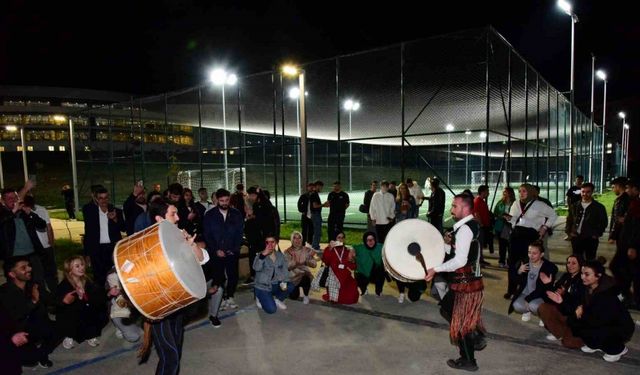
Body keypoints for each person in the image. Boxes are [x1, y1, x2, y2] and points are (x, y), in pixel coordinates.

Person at [137, 200, 209, 374]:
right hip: (159, 307)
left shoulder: (178, 234)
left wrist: (191, 244)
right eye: (173, 214)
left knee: (175, 350)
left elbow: (202, 259)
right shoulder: (147, 240)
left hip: (178, 301)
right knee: (171, 356)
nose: (178, 218)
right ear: (159, 219)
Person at [425, 193, 485, 371]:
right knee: (448, 310)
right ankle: (474, 336)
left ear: (465, 208)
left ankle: (469, 358)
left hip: (464, 285)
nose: (451, 209)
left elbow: (459, 261)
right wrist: (444, 245)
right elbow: (460, 254)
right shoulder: (468, 226)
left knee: (461, 322)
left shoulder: (465, 229)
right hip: (466, 282)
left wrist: (436, 269)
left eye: (454, 206)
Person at [569, 260, 635, 362]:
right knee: (575, 322)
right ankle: (596, 344)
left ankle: (618, 349)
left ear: (598, 276)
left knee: (589, 325)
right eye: (582, 273)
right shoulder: (586, 286)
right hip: (597, 319)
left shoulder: (608, 293)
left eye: (587, 274)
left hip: (618, 326)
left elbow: (602, 319)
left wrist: (581, 314)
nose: (582, 277)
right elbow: (577, 302)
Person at [0, 256, 57, 368]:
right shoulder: (4, 293)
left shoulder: (34, 286)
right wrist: (34, 301)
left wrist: (72, 289)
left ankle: (41, 355)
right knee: (29, 362)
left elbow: (53, 300)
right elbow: (14, 316)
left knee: (62, 327)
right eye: (23, 267)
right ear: (12, 274)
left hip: (36, 327)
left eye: (29, 265)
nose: (29, 268)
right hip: (17, 334)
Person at [504, 183, 557, 299]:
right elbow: (514, 219)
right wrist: (510, 219)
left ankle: (525, 289)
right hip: (516, 235)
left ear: (530, 192)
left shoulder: (539, 205)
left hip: (530, 236)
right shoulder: (516, 203)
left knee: (528, 263)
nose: (521, 194)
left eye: (524, 191)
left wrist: (544, 227)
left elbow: (553, 215)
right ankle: (511, 289)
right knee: (513, 263)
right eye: (519, 191)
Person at [203, 189, 244, 312]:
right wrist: (216, 250)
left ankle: (229, 297)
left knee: (233, 276)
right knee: (218, 277)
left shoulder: (236, 214)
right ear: (217, 200)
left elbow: (239, 233)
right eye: (222, 201)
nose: (224, 203)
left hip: (232, 252)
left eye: (227, 200)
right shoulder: (209, 216)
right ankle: (219, 299)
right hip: (216, 253)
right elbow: (207, 235)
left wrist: (234, 249)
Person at [56, 255, 108, 349]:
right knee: (71, 314)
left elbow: (98, 295)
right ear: (70, 270)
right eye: (77, 266)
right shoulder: (64, 285)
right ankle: (69, 335)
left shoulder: (87, 280)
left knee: (97, 311)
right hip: (71, 314)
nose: (82, 268)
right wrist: (76, 298)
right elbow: (59, 304)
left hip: (85, 310)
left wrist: (108, 293)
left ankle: (90, 335)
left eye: (82, 264)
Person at [0, 188, 48, 288]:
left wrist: (30, 214)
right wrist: (13, 212)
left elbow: (42, 225)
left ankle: (40, 302)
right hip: (13, 257)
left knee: (38, 283)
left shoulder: (23, 213)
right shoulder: (2, 214)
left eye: (14, 197)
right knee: (16, 287)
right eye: (9, 198)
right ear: (3, 202)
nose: (13, 200)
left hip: (32, 254)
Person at [538, 254, 586, 346]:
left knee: (569, 343)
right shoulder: (566, 276)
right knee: (543, 307)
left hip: (575, 316)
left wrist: (565, 295)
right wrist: (548, 284)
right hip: (563, 310)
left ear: (580, 265)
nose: (570, 265)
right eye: (568, 263)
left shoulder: (582, 280)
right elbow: (552, 296)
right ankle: (559, 333)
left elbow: (576, 303)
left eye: (574, 263)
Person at [82, 187, 125, 287]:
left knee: (113, 276)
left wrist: (115, 219)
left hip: (112, 248)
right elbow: (88, 233)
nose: (104, 200)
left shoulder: (116, 211)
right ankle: (101, 299)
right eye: (100, 198)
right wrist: (87, 253)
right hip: (97, 249)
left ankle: (114, 298)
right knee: (98, 277)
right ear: (96, 199)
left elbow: (123, 228)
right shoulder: (90, 211)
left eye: (106, 197)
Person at [508, 240, 558, 322]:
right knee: (517, 306)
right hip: (525, 293)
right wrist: (519, 272)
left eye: (534, 253)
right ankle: (527, 311)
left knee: (534, 306)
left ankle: (543, 315)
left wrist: (528, 299)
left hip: (540, 295)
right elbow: (516, 281)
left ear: (541, 254)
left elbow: (542, 289)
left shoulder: (548, 267)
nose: (531, 256)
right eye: (529, 252)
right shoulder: (524, 263)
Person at [565, 182, 608, 261]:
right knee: (577, 259)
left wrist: (597, 234)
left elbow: (604, 222)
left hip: (591, 238)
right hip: (576, 237)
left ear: (592, 192)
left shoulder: (599, 207)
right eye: (583, 192)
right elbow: (569, 219)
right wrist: (568, 232)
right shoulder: (575, 205)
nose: (585, 194)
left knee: (590, 260)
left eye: (588, 192)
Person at [25, 195, 58, 296]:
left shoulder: (41, 209)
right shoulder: (19, 212)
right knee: (37, 276)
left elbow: (48, 226)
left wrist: (51, 242)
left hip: (46, 247)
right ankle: (42, 297)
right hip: (32, 250)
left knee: (51, 273)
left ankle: (55, 295)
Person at [253, 236, 294, 313]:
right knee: (272, 310)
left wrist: (284, 282)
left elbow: (285, 271)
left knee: (290, 286)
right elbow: (256, 268)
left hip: (275, 284)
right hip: (263, 286)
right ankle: (259, 297)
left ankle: (277, 299)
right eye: (267, 242)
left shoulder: (280, 256)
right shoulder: (260, 255)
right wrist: (262, 256)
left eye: (272, 242)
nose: (270, 245)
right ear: (264, 244)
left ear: (276, 243)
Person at [106, 268, 142, 342]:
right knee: (133, 337)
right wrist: (119, 292)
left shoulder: (139, 266)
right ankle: (118, 326)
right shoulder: (113, 275)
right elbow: (121, 302)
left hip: (138, 306)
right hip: (123, 308)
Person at [322, 232, 359, 304]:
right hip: (333, 275)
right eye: (339, 237)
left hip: (345, 276)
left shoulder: (347, 250)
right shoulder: (329, 249)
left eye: (342, 238)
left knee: (352, 298)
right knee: (338, 297)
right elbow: (326, 261)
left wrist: (352, 260)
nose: (341, 239)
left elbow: (353, 267)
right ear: (335, 239)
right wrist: (330, 248)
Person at [284, 231, 317, 304]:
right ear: (292, 240)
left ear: (302, 239)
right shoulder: (287, 251)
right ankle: (293, 289)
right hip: (293, 277)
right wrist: (298, 262)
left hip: (303, 275)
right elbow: (287, 267)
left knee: (306, 277)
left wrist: (308, 257)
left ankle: (306, 296)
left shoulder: (307, 250)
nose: (297, 240)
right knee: (293, 297)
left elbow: (314, 265)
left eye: (299, 238)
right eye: (295, 238)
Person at [354, 232, 385, 297]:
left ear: (375, 240)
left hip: (376, 273)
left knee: (381, 272)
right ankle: (364, 289)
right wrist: (351, 251)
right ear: (365, 241)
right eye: (368, 240)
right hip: (364, 272)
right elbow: (351, 249)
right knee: (358, 274)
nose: (370, 242)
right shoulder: (359, 248)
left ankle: (378, 291)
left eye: (372, 239)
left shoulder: (381, 247)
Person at [493, 187, 515, 268]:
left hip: (511, 226)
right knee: (502, 245)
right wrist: (500, 216)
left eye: (506, 192)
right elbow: (495, 213)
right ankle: (501, 261)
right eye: (504, 192)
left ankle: (509, 262)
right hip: (501, 226)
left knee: (510, 246)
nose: (505, 193)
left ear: (511, 193)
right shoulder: (500, 202)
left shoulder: (515, 203)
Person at [474, 185, 493, 266]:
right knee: (479, 244)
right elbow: (476, 213)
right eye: (487, 191)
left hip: (482, 226)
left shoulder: (481, 200)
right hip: (480, 227)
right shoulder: (478, 201)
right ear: (483, 192)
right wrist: (481, 224)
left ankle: (480, 260)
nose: (488, 193)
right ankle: (479, 261)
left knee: (481, 244)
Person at [564, 175, 584, 240]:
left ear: (582, 181)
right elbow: (568, 198)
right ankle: (568, 234)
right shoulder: (572, 188)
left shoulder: (583, 189)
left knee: (579, 221)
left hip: (581, 207)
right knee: (569, 220)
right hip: (572, 207)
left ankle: (578, 234)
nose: (578, 181)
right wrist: (569, 206)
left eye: (579, 180)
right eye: (577, 180)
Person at [309, 181, 324, 251]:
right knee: (317, 231)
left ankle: (315, 245)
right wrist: (323, 205)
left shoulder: (315, 194)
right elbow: (315, 206)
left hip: (316, 214)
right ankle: (315, 246)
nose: (321, 188)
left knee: (317, 231)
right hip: (315, 215)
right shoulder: (314, 195)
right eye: (321, 187)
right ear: (317, 186)